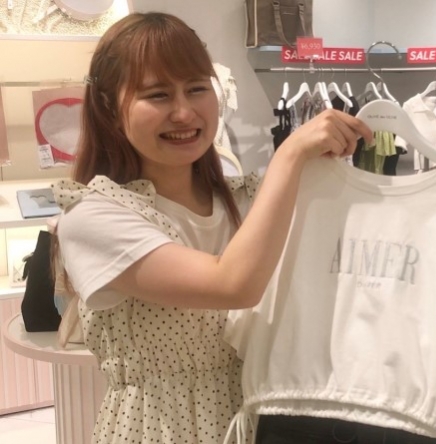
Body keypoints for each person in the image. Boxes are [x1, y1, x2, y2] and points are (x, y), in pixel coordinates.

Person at [52, 11, 372, 444]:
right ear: (110, 108)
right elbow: (232, 284)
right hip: (160, 431)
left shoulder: (247, 201)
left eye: (197, 88)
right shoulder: (94, 217)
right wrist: (290, 153)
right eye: (158, 95)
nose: (184, 112)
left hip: (266, 422)